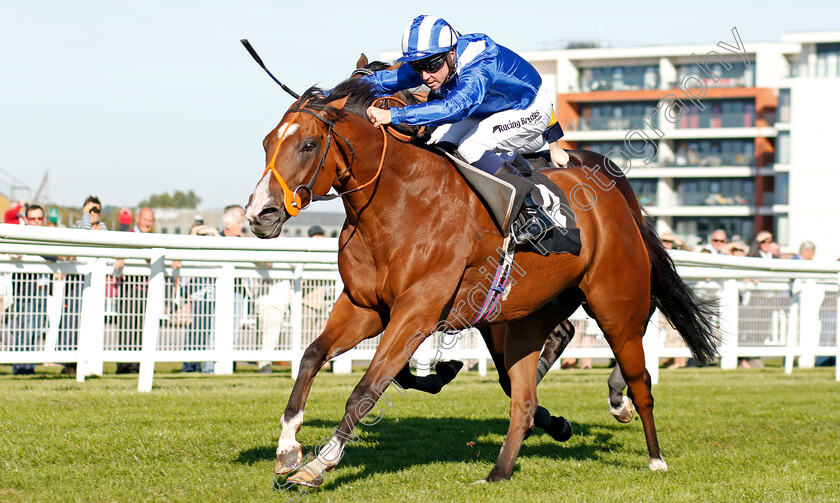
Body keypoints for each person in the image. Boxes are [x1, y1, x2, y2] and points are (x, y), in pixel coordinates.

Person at [364, 15, 568, 240]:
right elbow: (382, 81)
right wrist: (331, 97)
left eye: (432, 65)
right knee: (438, 143)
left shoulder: (478, 63)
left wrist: (394, 115)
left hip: (529, 109)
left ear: (452, 54)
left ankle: (532, 212)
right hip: (487, 111)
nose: (425, 76)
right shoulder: (437, 59)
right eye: (417, 67)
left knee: (471, 146)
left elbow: (455, 107)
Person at [9, 205, 54, 375]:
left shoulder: (48, 236)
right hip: (25, 287)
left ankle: (29, 368)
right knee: (25, 329)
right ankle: (20, 368)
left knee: (35, 331)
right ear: (26, 220)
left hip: (42, 288)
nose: (36, 222)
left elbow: (55, 256)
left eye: (39, 219)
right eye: (33, 219)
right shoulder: (20, 235)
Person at [112, 207, 155, 373]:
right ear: (137, 219)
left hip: (145, 288)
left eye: (150, 220)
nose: (147, 223)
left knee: (139, 327)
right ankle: (123, 365)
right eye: (145, 219)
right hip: (129, 287)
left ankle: (135, 365)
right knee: (126, 325)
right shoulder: (128, 234)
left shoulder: (152, 238)